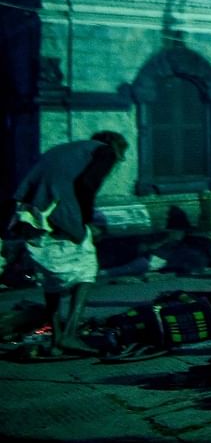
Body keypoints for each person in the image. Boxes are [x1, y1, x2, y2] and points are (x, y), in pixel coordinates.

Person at [9, 131, 128, 356]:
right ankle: (70, 335)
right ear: (117, 148)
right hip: (58, 210)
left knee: (51, 275)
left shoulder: (69, 149)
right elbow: (86, 184)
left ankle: (57, 339)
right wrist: (86, 222)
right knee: (86, 269)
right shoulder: (104, 151)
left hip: (30, 213)